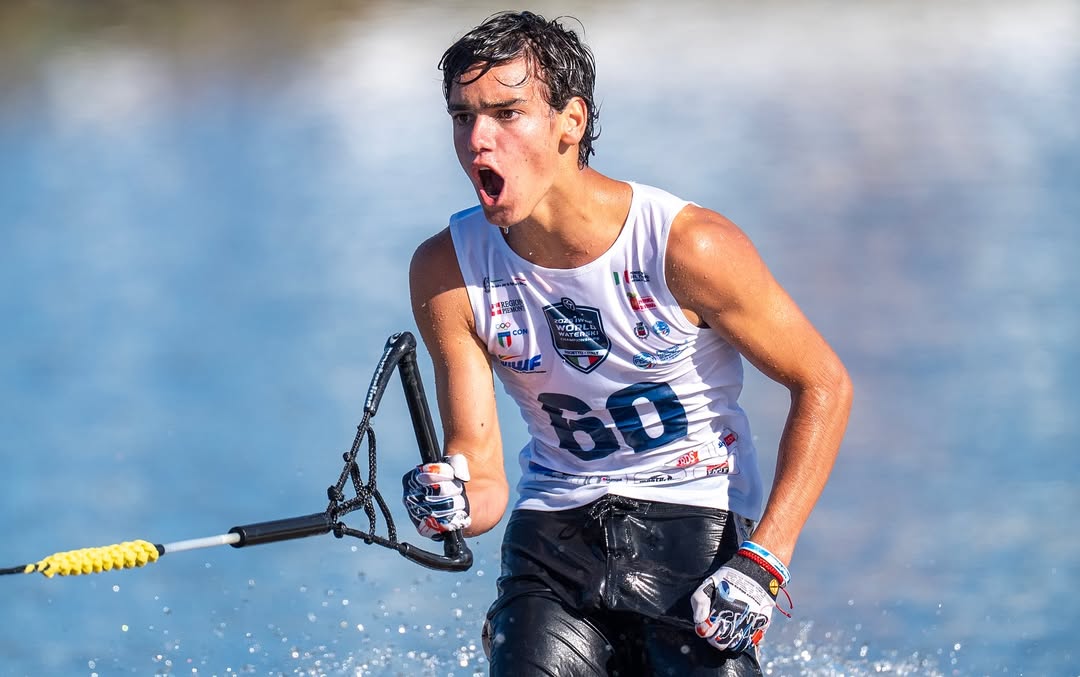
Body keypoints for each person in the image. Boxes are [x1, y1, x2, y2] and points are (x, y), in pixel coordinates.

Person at [401, 10, 852, 676]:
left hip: (694, 530)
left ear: (570, 123)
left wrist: (767, 561)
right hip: (551, 538)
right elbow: (487, 475)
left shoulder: (687, 246)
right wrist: (455, 497)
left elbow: (825, 384)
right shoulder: (445, 269)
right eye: (463, 117)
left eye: (505, 114)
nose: (478, 142)